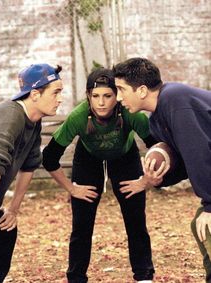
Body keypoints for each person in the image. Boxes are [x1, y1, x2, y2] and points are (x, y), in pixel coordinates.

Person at [42, 67, 157, 283]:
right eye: (95, 96)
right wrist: (71, 188)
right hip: (88, 159)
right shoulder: (77, 117)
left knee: (135, 220)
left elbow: (159, 148)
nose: (101, 102)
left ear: (117, 96)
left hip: (125, 158)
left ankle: (144, 277)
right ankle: (76, 278)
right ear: (88, 96)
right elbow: (49, 158)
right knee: (82, 224)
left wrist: (145, 181)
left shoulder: (130, 113)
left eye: (108, 96)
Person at [113, 57, 211, 282]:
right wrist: (158, 180)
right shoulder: (157, 118)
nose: (118, 98)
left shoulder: (175, 99)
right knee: (201, 225)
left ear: (142, 90)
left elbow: (199, 151)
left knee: (208, 225)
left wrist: (210, 205)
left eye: (121, 90)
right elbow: (185, 162)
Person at [0, 63, 63, 283]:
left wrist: (13, 209)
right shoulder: (11, 118)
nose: (60, 99)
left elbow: (30, 165)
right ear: (35, 94)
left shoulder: (33, 121)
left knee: (5, 231)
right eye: (56, 92)